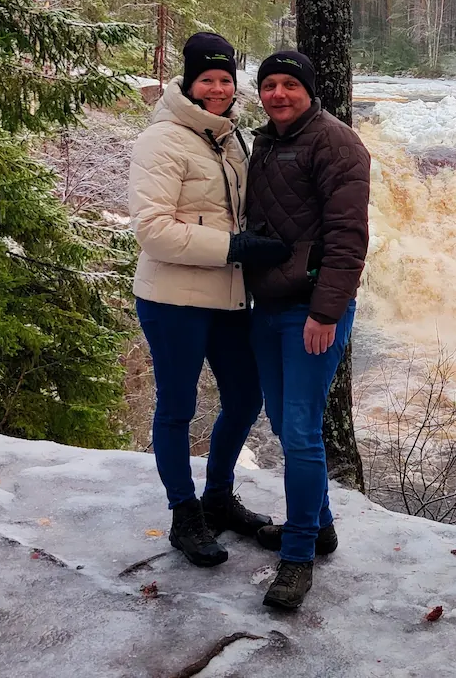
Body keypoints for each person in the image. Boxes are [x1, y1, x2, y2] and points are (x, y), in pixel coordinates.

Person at [128, 32, 290, 568]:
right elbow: (152, 230)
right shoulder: (162, 140)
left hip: (227, 296)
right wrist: (234, 246)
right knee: (177, 407)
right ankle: (183, 514)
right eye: (208, 79)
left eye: (226, 79)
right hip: (172, 298)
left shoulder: (231, 139)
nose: (219, 88)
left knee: (246, 398)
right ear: (189, 82)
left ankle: (217, 495)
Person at [243, 50, 371, 610]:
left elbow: (348, 236)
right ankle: (320, 527)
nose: (277, 94)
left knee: (299, 430)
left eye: (289, 85)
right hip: (266, 304)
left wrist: (324, 311)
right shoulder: (266, 142)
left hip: (310, 310)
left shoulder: (336, 142)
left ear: (308, 90)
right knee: (282, 420)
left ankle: (297, 558)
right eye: (268, 85)